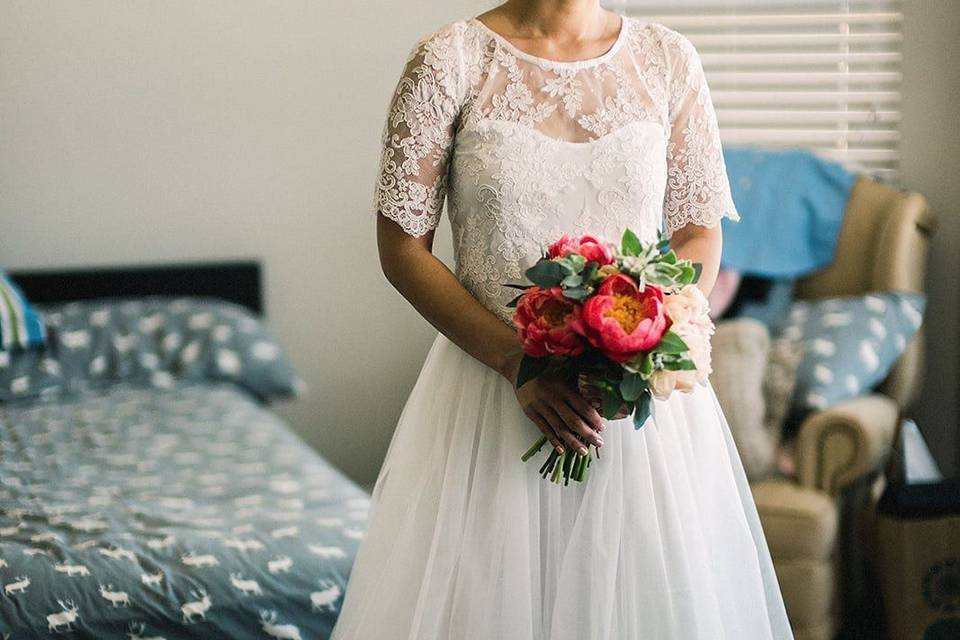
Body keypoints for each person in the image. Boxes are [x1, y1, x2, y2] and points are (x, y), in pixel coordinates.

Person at [331, 1, 793, 638]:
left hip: (633, 405)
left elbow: (697, 234)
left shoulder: (667, 59)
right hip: (491, 397)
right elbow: (402, 247)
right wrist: (515, 361)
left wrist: (649, 332)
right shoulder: (447, 61)